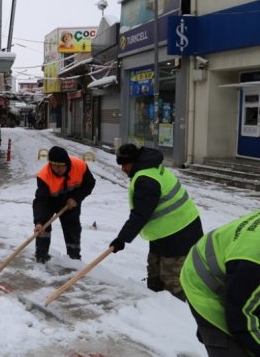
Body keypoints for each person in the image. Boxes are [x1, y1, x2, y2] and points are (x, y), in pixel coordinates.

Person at [109, 143, 203, 301]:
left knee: (172, 280)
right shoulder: (147, 168)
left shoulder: (146, 181)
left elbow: (140, 214)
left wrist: (121, 239)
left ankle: (176, 315)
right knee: (154, 272)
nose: (122, 169)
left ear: (134, 162)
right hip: (164, 232)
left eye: (124, 164)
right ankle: (153, 305)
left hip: (180, 233)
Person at [179, 210, 260, 357]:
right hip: (203, 282)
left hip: (236, 272)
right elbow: (241, 319)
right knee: (232, 347)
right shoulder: (254, 261)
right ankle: (214, 338)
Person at [32, 146, 96, 263]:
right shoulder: (44, 176)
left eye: (61, 166)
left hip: (70, 202)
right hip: (50, 202)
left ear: (67, 163)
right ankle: (41, 257)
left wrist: (76, 198)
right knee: (43, 228)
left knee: (72, 228)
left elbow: (89, 184)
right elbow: (41, 201)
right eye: (54, 166)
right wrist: (39, 221)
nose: (57, 169)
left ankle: (74, 259)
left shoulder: (80, 166)